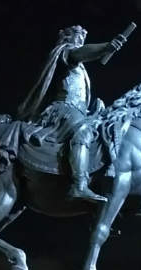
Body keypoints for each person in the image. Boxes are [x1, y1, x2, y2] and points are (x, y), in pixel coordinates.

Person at [16, 25, 127, 203]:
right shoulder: (64, 52)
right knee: (83, 131)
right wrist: (106, 47)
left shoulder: (81, 68)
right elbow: (80, 53)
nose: (80, 40)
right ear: (67, 38)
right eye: (77, 36)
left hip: (79, 110)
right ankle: (79, 184)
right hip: (62, 109)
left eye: (83, 38)